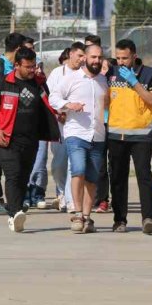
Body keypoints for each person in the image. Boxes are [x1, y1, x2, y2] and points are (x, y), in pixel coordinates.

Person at [0, 47, 61, 233]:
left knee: (23, 177)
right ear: (16, 65)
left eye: (34, 66)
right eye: (28, 67)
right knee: (13, 175)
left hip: (31, 140)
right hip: (7, 139)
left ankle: (16, 210)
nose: (32, 70)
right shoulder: (4, 82)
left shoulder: (39, 83)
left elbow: (48, 104)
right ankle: (14, 213)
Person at [49, 43, 110, 233]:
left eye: (99, 57)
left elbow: (108, 105)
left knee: (92, 178)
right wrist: (68, 105)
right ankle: (76, 213)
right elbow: (53, 97)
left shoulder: (103, 81)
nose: (97, 61)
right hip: (76, 133)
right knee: (78, 169)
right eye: (93, 57)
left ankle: (86, 216)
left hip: (97, 135)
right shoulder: (72, 78)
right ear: (85, 58)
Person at [107, 39, 152, 234]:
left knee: (144, 176)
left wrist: (134, 82)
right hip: (116, 134)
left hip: (141, 135)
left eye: (125, 58)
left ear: (134, 56)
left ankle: (148, 218)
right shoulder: (110, 72)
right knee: (117, 178)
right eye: (118, 58)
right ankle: (119, 220)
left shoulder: (150, 74)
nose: (121, 62)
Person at [0, 32, 27, 214]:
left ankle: (15, 201)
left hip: (13, 124)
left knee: (15, 167)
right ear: (18, 49)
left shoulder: (17, 67)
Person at [47, 43, 85, 212]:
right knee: (58, 164)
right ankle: (62, 191)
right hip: (59, 124)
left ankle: (71, 201)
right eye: (79, 56)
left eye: (84, 56)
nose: (82, 60)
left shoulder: (85, 74)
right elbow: (49, 97)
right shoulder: (57, 73)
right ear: (71, 54)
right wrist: (59, 112)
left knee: (73, 164)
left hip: (77, 126)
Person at [85, 34, 113, 213]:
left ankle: (104, 199)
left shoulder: (109, 73)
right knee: (97, 164)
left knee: (108, 164)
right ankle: (97, 199)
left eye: (99, 57)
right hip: (95, 124)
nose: (96, 61)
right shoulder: (86, 75)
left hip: (110, 122)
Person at [22, 36, 50, 210]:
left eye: (32, 48)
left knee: (40, 161)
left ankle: (38, 193)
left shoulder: (38, 73)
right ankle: (24, 194)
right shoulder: (14, 77)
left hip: (39, 126)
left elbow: (47, 97)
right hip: (22, 128)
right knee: (24, 163)